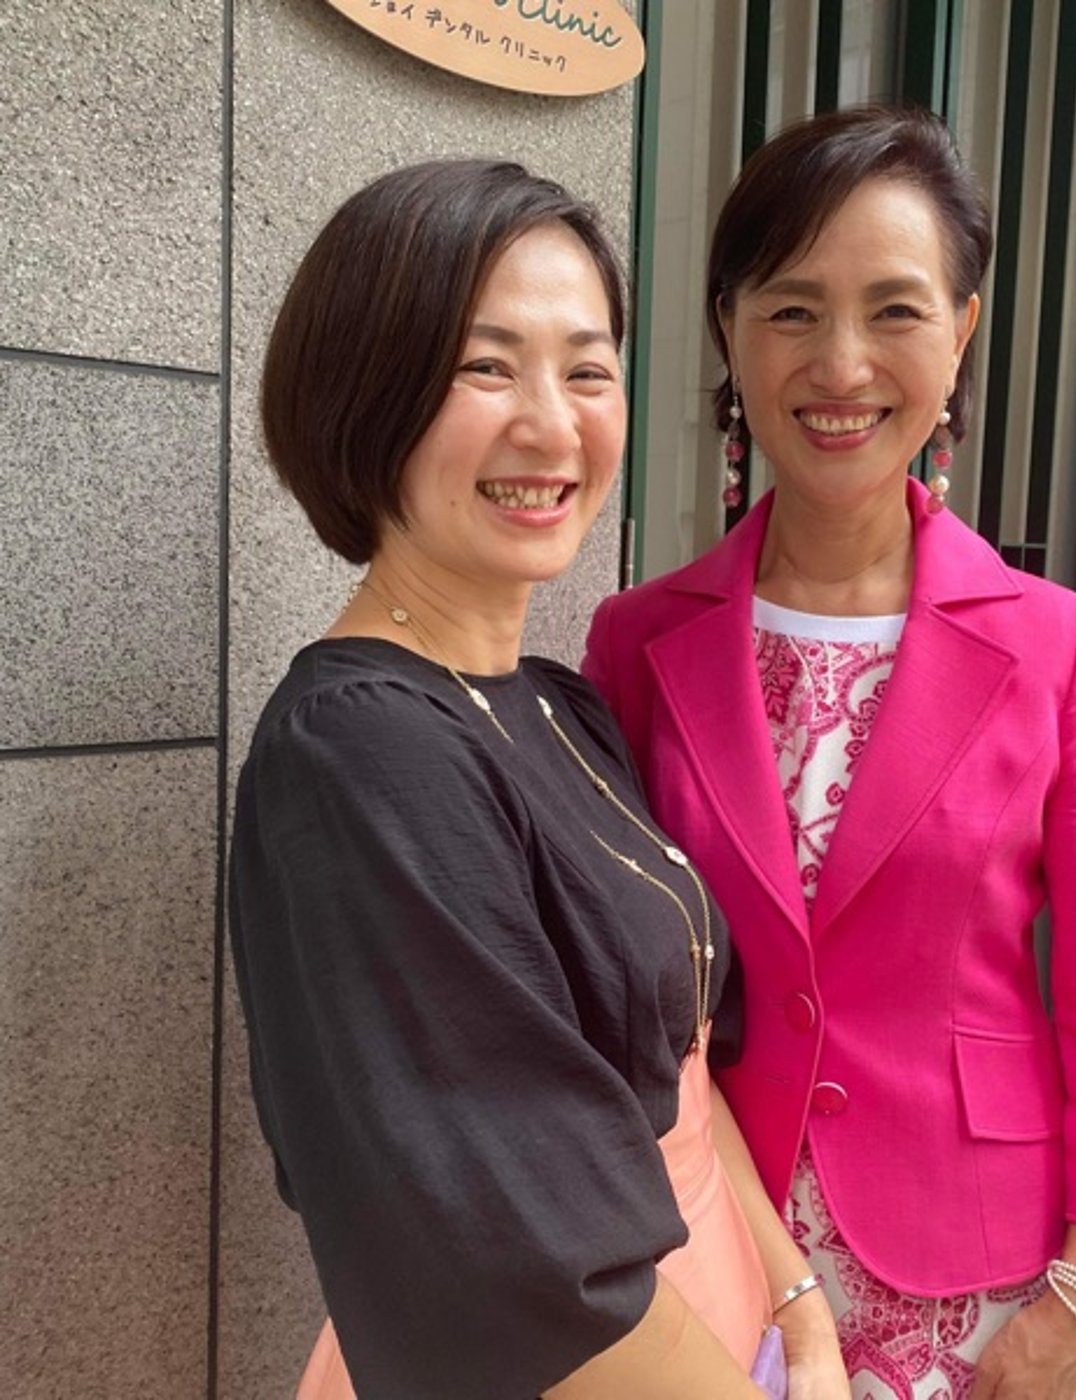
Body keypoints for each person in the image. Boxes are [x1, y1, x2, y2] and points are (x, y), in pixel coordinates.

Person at [583, 105, 1076, 1400]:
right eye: (791, 309)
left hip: (984, 1289)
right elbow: (624, 984)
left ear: (960, 331)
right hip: (717, 1259)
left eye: (894, 310)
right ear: (729, 330)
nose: (840, 363)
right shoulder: (637, 642)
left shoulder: (1060, 645)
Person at [229, 158, 847, 1400]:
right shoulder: (359, 753)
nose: (552, 426)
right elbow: (519, 1267)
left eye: (586, 369)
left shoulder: (560, 707)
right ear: (365, 390)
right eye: (486, 365)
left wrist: (799, 1311)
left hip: (721, 1326)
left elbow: (680, 1065)